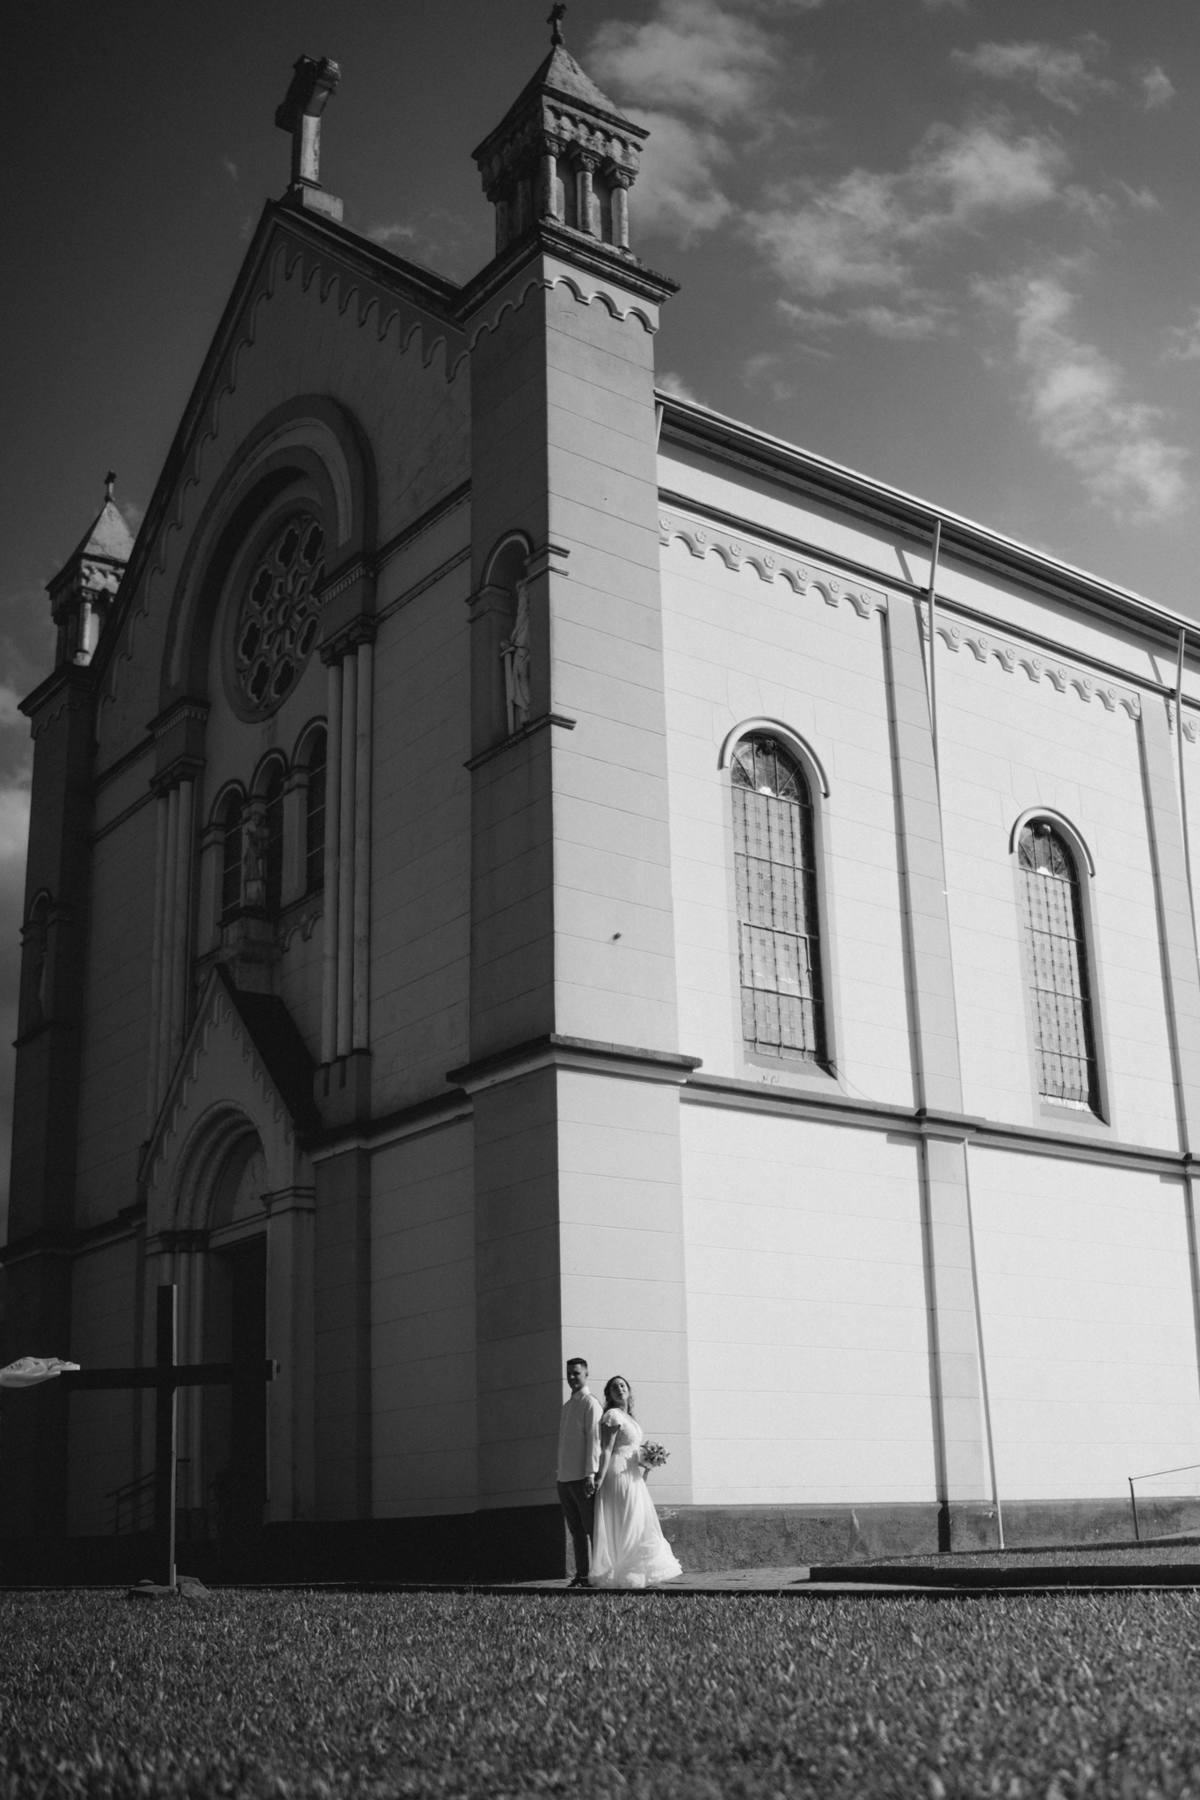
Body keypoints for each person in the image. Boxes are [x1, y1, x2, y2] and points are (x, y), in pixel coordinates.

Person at [591, 1375, 683, 1589]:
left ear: (629, 1391)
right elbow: (606, 1449)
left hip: (632, 1473)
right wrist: (599, 1479)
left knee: (638, 1518)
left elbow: (634, 1450)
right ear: (609, 1395)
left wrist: (649, 1462)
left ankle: (635, 1568)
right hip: (618, 1472)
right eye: (614, 1388)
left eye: (622, 1386)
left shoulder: (629, 1417)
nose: (619, 1389)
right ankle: (623, 1570)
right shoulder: (612, 1416)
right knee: (627, 1518)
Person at [557, 1357, 602, 1588]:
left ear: (586, 1374)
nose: (572, 1377)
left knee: (591, 1529)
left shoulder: (590, 1403)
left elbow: (594, 1441)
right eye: (569, 1373)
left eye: (576, 1373)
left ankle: (598, 1574)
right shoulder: (567, 1406)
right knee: (576, 1531)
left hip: (582, 1478)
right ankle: (582, 1575)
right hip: (564, 1478)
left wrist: (590, 1474)